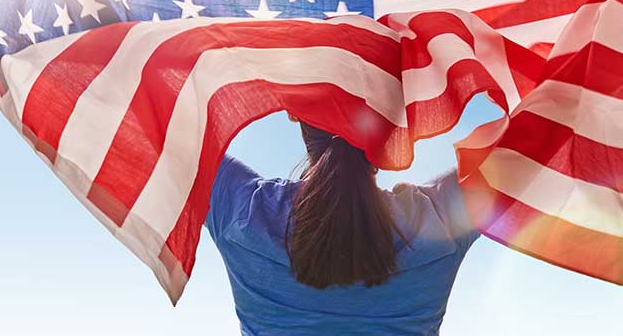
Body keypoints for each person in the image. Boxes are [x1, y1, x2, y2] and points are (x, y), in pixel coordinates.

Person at [205, 115, 480, 335]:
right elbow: (521, 134)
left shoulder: (244, 213)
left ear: (295, 116)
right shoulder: (441, 223)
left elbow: (167, 123)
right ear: (392, 122)